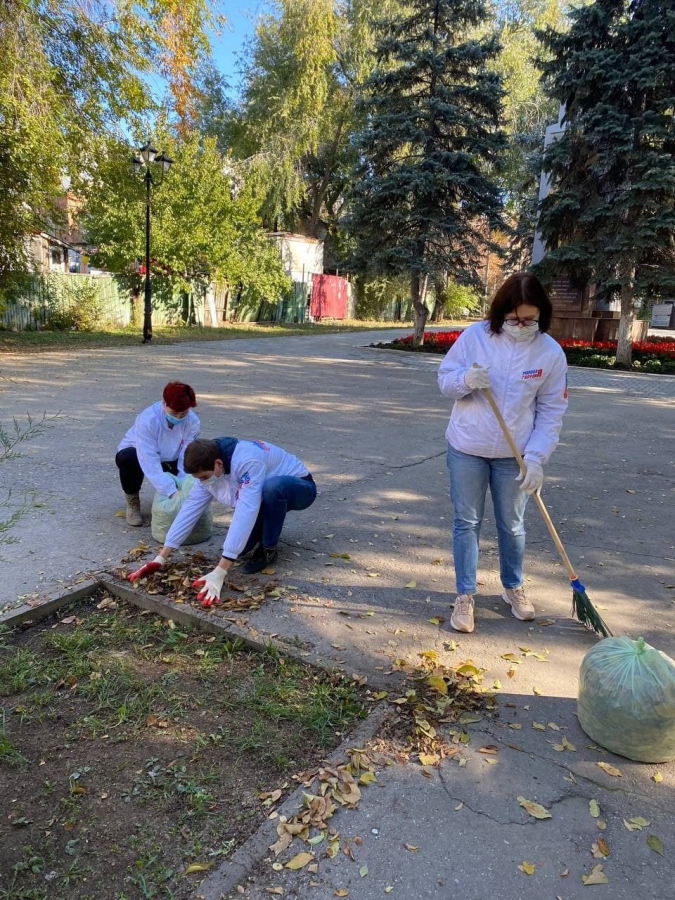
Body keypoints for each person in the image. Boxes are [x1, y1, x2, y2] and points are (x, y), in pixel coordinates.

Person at [437, 272, 568, 634]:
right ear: (500, 313)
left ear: (541, 314)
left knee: (512, 524)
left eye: (529, 320)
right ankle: (465, 594)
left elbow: (552, 411)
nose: (521, 326)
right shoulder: (475, 337)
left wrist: (537, 458)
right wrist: (465, 380)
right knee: (467, 522)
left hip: (516, 454)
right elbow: (444, 379)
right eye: (513, 319)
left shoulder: (550, 353)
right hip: (468, 447)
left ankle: (513, 586)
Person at [128, 437, 317, 604]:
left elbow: (246, 510)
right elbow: (190, 510)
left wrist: (221, 570)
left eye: (204, 477)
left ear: (218, 463)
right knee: (241, 547)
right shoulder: (207, 467)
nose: (202, 481)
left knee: (272, 488)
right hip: (265, 489)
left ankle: (268, 549)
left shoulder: (247, 461)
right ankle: (258, 536)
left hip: (300, 487)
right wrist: (162, 557)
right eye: (197, 478)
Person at [116, 381, 200, 526]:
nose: (179, 418)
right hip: (140, 454)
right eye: (174, 413)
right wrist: (171, 492)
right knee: (128, 458)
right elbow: (148, 459)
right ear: (164, 403)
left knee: (195, 458)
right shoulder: (148, 420)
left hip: (171, 458)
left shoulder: (192, 421)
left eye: (183, 414)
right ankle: (133, 502)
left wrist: (183, 486)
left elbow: (187, 454)